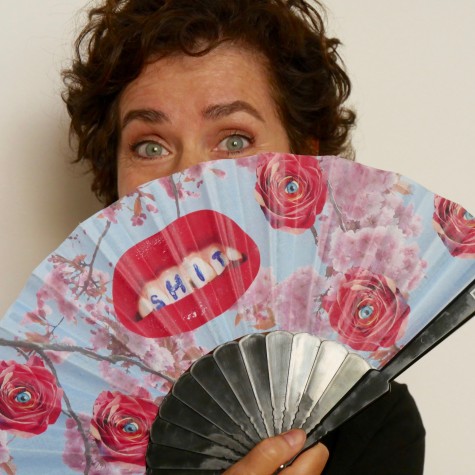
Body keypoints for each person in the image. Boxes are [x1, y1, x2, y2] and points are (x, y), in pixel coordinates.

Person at [62, 0, 425, 473]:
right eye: (149, 145)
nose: (189, 179)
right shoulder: (56, 401)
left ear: (304, 163)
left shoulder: (373, 421)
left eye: (234, 139)